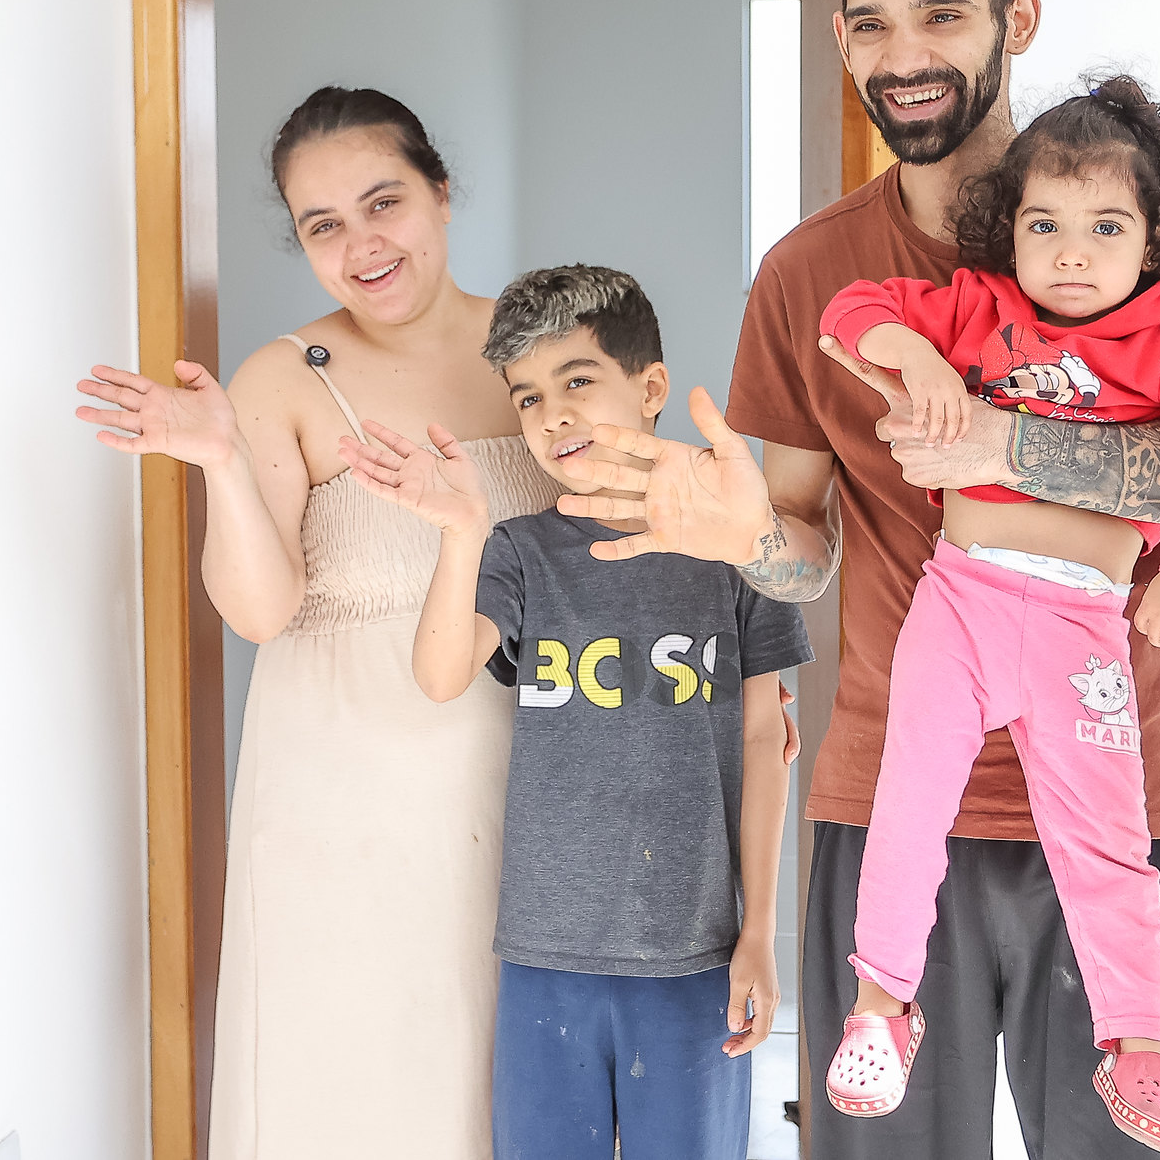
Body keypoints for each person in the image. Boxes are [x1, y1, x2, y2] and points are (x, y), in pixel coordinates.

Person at [545, 0, 1160, 1158]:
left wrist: (1003, 446)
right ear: (840, 39)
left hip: (1117, 798)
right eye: (870, 25)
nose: (902, 56)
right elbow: (801, 543)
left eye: (942, 15)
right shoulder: (809, 272)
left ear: (1016, 20)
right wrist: (747, 540)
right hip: (890, 798)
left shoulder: (1141, 239)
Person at [73, 87, 559, 1160]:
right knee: (348, 1080)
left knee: (496, 1081)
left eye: (384, 203)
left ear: (440, 193)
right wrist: (219, 462)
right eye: (322, 224)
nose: (361, 245)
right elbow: (261, 609)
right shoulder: (282, 378)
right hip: (337, 798)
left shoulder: (541, 352)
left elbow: (618, 535)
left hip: (523, 779)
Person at [818, 77, 1160, 1157]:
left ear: (1154, 239)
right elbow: (856, 311)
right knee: (908, 801)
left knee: (1104, 841)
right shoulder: (979, 309)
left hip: (1083, 626)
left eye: (1104, 228)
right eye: (1044, 226)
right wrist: (918, 353)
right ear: (1009, 230)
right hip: (961, 603)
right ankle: (881, 1005)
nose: (1071, 254)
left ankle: (1136, 1042)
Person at [336, 265, 813, 1160]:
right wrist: (461, 530)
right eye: (528, 397)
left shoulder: (734, 551)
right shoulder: (522, 552)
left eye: (577, 381)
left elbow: (765, 741)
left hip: (694, 954)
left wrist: (759, 931)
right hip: (545, 956)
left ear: (651, 387)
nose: (552, 415)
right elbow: (440, 673)